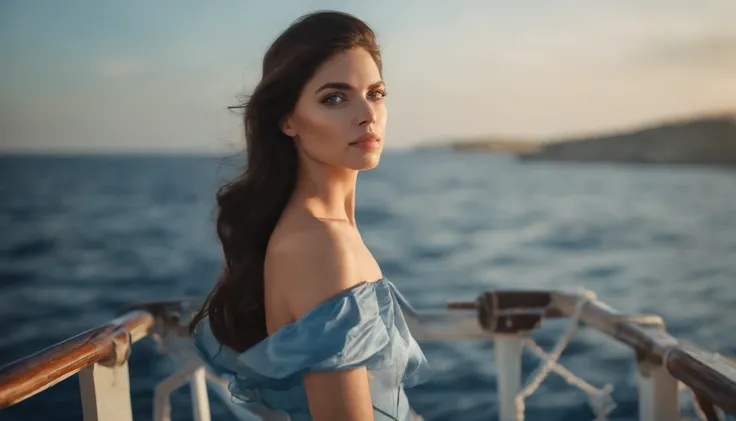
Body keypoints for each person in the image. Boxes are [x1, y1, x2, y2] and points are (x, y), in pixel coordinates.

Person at [190, 10, 430, 421]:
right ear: (287, 120)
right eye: (334, 98)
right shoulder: (320, 245)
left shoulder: (328, 231)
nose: (367, 114)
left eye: (375, 93)